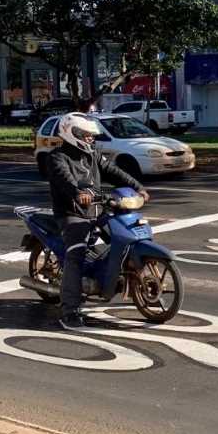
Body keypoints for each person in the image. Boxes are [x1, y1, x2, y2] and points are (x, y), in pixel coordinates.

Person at [48, 112, 149, 329]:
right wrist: (77, 193)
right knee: (75, 255)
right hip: (72, 214)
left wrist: (138, 187)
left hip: (98, 210)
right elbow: (64, 179)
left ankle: (110, 277)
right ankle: (70, 311)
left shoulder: (93, 154)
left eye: (91, 135)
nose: (90, 139)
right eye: (85, 135)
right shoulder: (57, 157)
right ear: (71, 133)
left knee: (125, 236)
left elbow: (114, 172)